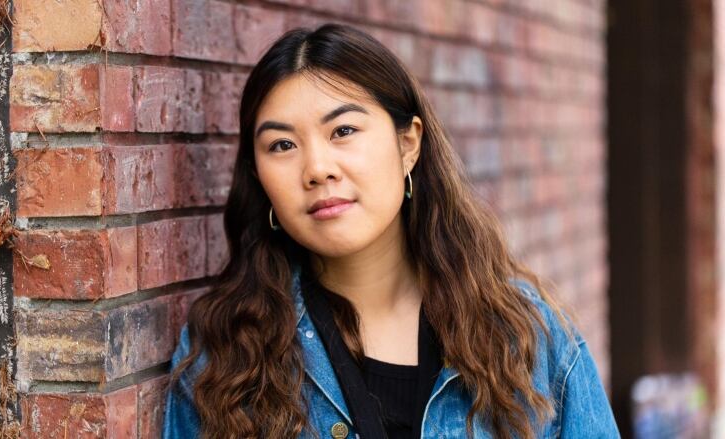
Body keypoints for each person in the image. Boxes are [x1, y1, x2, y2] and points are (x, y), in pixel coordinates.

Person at [162, 23, 620, 439]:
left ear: (408, 145)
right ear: (259, 177)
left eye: (343, 131)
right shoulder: (223, 353)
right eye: (282, 145)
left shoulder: (528, 339)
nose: (318, 168)